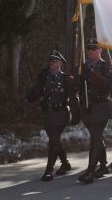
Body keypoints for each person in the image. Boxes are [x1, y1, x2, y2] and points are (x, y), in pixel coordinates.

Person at [27, 50, 79, 181]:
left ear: (60, 63)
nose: (51, 63)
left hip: (60, 113)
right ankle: (65, 163)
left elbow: (73, 98)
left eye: (54, 61)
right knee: (55, 140)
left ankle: (49, 170)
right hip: (48, 114)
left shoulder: (66, 78)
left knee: (53, 141)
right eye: (50, 61)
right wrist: (38, 82)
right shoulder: (45, 76)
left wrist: (76, 114)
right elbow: (34, 95)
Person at [78, 38, 112, 184]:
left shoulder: (106, 65)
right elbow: (78, 85)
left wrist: (91, 74)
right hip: (87, 106)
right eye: (88, 48)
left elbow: (107, 85)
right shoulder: (84, 65)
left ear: (100, 50)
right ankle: (104, 165)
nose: (90, 51)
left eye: (94, 48)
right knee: (96, 137)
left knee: (95, 137)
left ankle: (90, 171)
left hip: (101, 106)